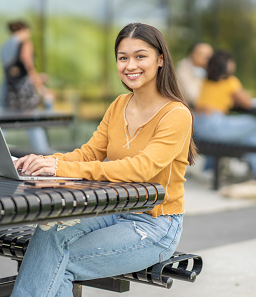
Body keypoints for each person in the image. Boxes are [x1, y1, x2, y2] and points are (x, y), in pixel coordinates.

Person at [10, 23, 197, 296]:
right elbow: (88, 154)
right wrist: (43, 161)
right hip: (112, 209)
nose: (130, 65)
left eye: (139, 56)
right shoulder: (119, 105)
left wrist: (62, 167)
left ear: (160, 60)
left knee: (58, 262)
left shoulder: (176, 115)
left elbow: (142, 168)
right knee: (48, 231)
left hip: (153, 223)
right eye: (123, 58)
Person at [193, 50, 256, 186]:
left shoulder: (206, 80)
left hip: (199, 127)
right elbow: (248, 103)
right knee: (254, 124)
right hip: (215, 126)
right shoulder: (230, 81)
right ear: (227, 65)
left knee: (252, 139)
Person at [0, 20, 54, 153]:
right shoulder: (25, 43)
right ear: (24, 30)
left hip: (9, 90)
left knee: (3, 125)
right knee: (33, 121)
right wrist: (40, 87)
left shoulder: (4, 47)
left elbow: (14, 71)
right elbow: (28, 66)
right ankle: (44, 153)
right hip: (24, 92)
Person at [176, 42, 213, 107]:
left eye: (208, 56)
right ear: (192, 54)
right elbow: (192, 96)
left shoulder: (210, 69)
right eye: (201, 54)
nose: (205, 58)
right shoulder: (183, 70)